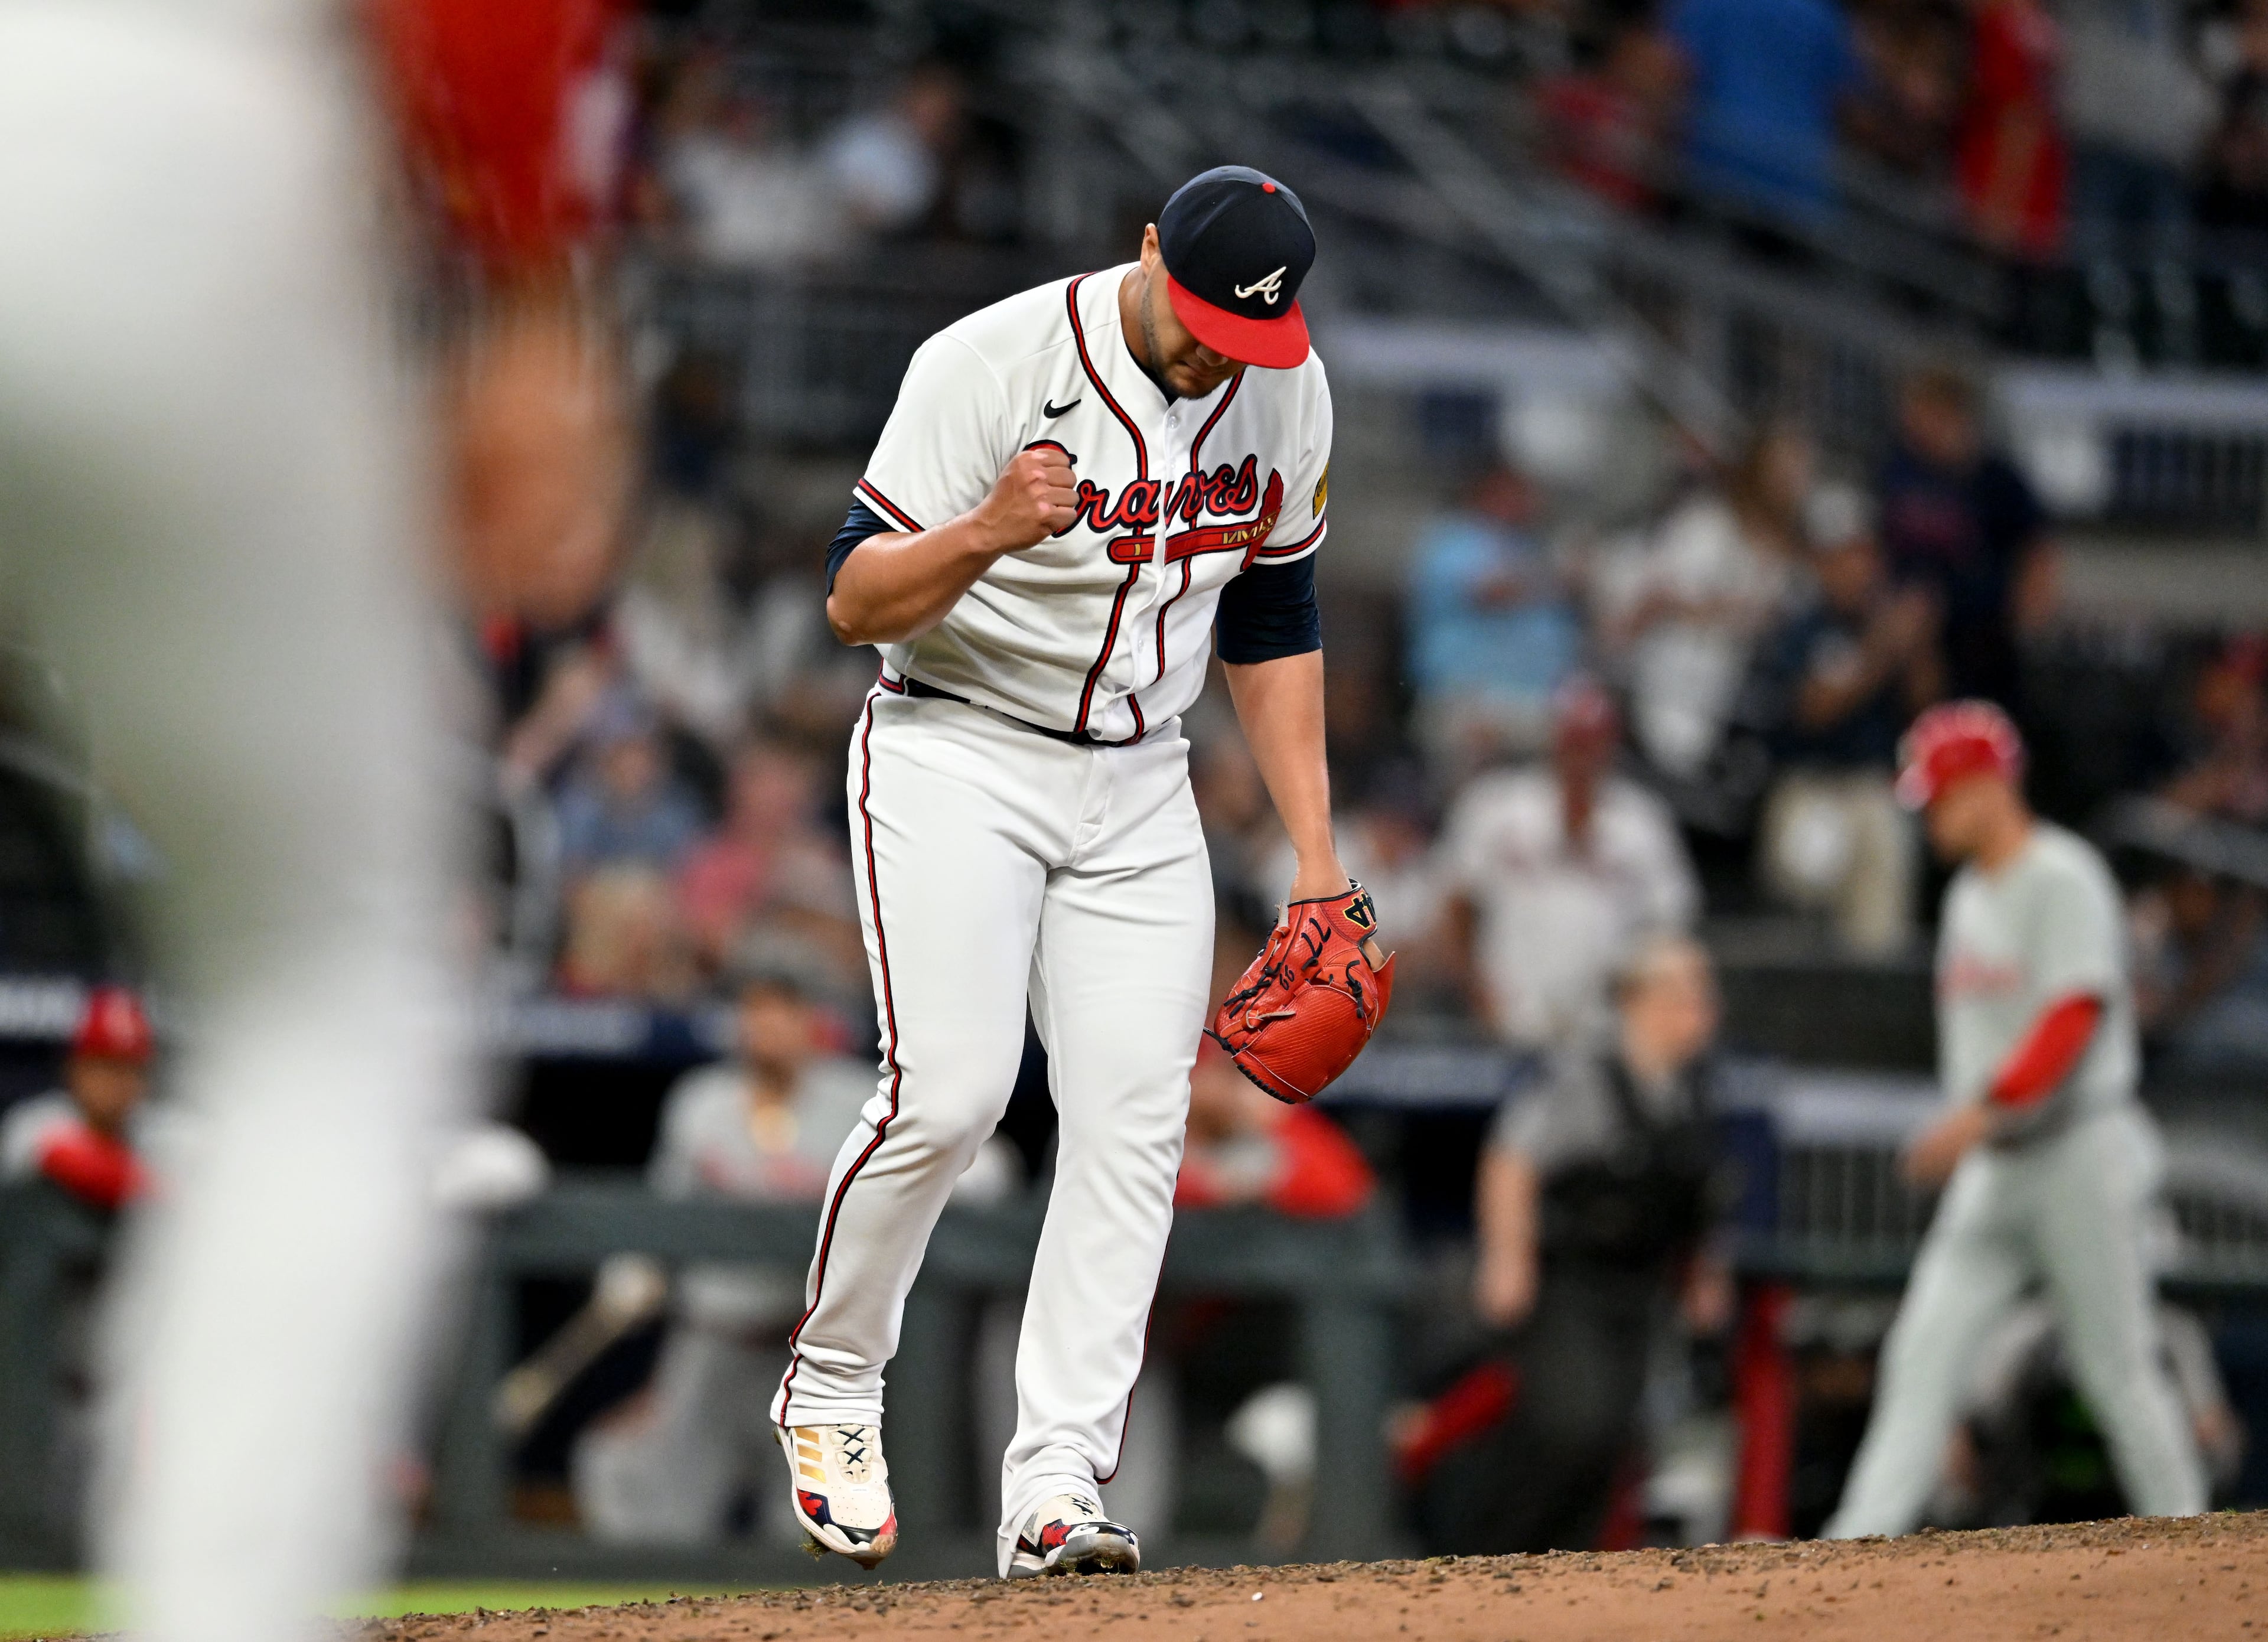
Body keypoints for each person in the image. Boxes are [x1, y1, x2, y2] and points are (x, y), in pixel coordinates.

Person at [778, 165, 1357, 1579]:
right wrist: (981, 530)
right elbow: (853, 601)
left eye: (1256, 330)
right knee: (952, 1093)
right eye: (1212, 313)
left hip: (1141, 775)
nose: (1227, 347)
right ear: (1148, 248)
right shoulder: (985, 361)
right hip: (956, 746)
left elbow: (1271, 620)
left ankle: (1052, 1484)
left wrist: (1319, 862)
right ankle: (835, 1380)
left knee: (1133, 1123)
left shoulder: (1286, 388)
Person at [1824, 701, 2206, 1537]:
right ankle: (1857, 1541)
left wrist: (1976, 1119)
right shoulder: (1968, 896)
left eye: (1942, 795)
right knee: (1924, 1350)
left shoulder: (2063, 876)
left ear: (1990, 788)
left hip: (2077, 1151)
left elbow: (2073, 1018)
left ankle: (2192, 1541)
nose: (1930, 813)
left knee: (2117, 1368)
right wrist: (1981, 1126)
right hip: (2000, 1163)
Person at [572, 958, 1014, 1544]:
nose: (767, 1024)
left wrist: (944, 1176)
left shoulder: (861, 1099)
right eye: (754, 1008)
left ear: (813, 1021)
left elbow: (989, 1167)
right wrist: (636, 1265)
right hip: (715, 1338)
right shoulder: (702, 1101)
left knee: (814, 1534)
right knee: (668, 1524)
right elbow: (668, 1206)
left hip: (814, 1353)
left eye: (784, 1008)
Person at [1424, 934, 1732, 1553]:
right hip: (1571, 1281)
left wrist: (1703, 1275)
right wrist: (1508, 1257)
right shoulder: (1590, 1080)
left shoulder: (1689, 1091)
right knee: (1573, 1422)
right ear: (1640, 1001)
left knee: (1615, 1437)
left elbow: (1697, 1199)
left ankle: (1565, 1576)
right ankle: (1481, 1558)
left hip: (1636, 1287)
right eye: (1686, 995)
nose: (1703, 1010)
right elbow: (1513, 1157)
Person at [1440, 682, 1700, 1054]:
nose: (1584, 755)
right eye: (1575, 741)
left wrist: (1642, 1006)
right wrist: (1478, 994)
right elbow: (1456, 910)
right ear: (1555, 741)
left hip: (1608, 1030)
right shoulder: (1498, 806)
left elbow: (1670, 930)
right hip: (1510, 1019)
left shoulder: (1641, 822)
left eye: (1594, 742)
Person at [1746, 483, 1942, 953]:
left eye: (1863, 555)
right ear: (1820, 563)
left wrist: (1918, 647)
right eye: (1841, 556)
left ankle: (1870, 1002)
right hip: (1811, 787)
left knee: (1883, 909)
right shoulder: (1801, 627)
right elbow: (1815, 709)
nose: (1855, 568)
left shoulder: (1885, 620)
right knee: (1806, 888)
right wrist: (1885, 646)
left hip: (1872, 786)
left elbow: (1928, 708)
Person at [1602, 425, 1811, 784]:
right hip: (1678, 671)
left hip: (1743, 693)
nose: (1792, 480)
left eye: (1801, 471)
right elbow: (1657, 595)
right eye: (1783, 469)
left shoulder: (1798, 552)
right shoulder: (1707, 524)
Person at [1875, 368, 2055, 712]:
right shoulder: (1898, 470)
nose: (1909, 421)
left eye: (1920, 410)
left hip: (1981, 636)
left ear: (1950, 412)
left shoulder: (1994, 477)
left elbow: (2038, 549)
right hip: (1915, 633)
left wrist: (2026, 617)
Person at [1405, 461, 1583, 773]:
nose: (1527, 501)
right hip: (1467, 698)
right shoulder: (1452, 539)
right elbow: (1489, 593)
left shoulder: (1531, 548)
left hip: (1538, 701)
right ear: (1487, 492)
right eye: (1515, 491)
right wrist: (1557, 581)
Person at [1664, 0, 1862, 227]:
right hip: (1795, 181)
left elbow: (1677, 70)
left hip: (1717, 161)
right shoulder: (1825, 18)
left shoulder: (1710, 5)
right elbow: (1847, 100)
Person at [1, 986, 157, 1213]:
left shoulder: (164, 1132)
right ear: (75, 1069)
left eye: (131, 1068)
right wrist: (155, 1185)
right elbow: (65, 1156)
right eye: (105, 1065)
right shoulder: (32, 1122)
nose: (118, 1082)